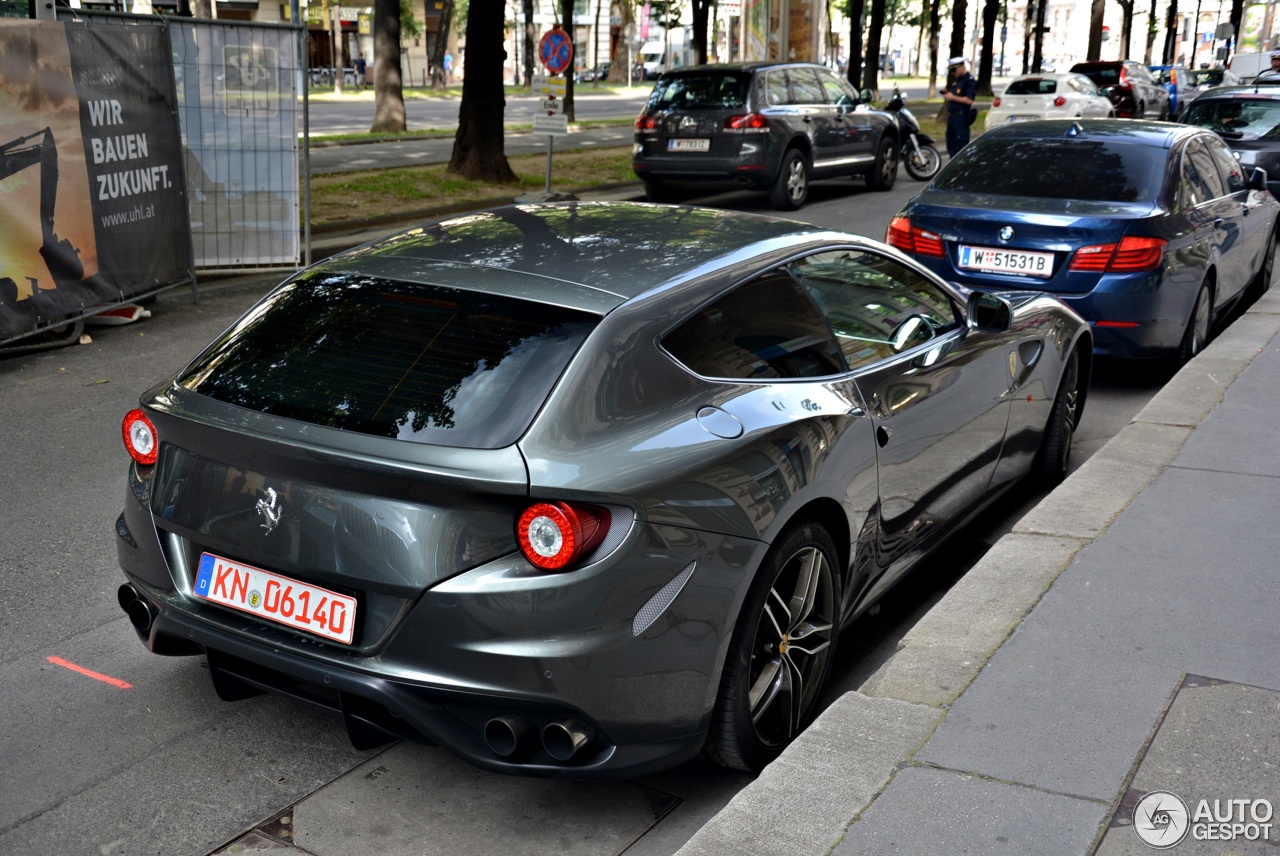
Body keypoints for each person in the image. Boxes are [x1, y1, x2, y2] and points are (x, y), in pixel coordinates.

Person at [943, 56, 978, 157]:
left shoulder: (969, 81)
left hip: (961, 118)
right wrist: (947, 93)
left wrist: (952, 97)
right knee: (951, 146)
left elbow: (969, 100)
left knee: (960, 149)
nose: (953, 73)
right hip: (952, 118)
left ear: (962, 66)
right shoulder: (958, 81)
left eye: (954, 69)